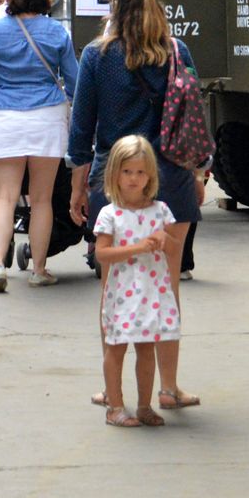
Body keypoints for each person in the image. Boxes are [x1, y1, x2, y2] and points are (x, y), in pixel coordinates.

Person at [69, 0, 203, 412]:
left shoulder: (97, 56)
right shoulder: (177, 51)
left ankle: (113, 390)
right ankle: (169, 387)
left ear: (114, 4)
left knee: (113, 288)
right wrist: (198, 173)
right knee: (167, 287)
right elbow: (192, 115)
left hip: (114, 181)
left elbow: (82, 128)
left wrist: (78, 187)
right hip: (171, 178)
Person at [0, 0, 78, 292]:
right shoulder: (57, 32)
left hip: (6, 115)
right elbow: (74, 80)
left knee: (4, 197)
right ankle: (38, 268)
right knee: (42, 199)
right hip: (47, 117)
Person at [93, 135, 177, 428]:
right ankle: (114, 406)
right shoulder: (110, 214)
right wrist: (137, 248)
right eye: (127, 171)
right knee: (116, 348)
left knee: (146, 348)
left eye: (140, 172)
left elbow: (174, 248)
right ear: (115, 173)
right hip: (122, 292)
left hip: (152, 292)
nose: (133, 178)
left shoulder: (160, 210)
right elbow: (102, 253)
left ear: (150, 175)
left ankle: (144, 405)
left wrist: (165, 239)